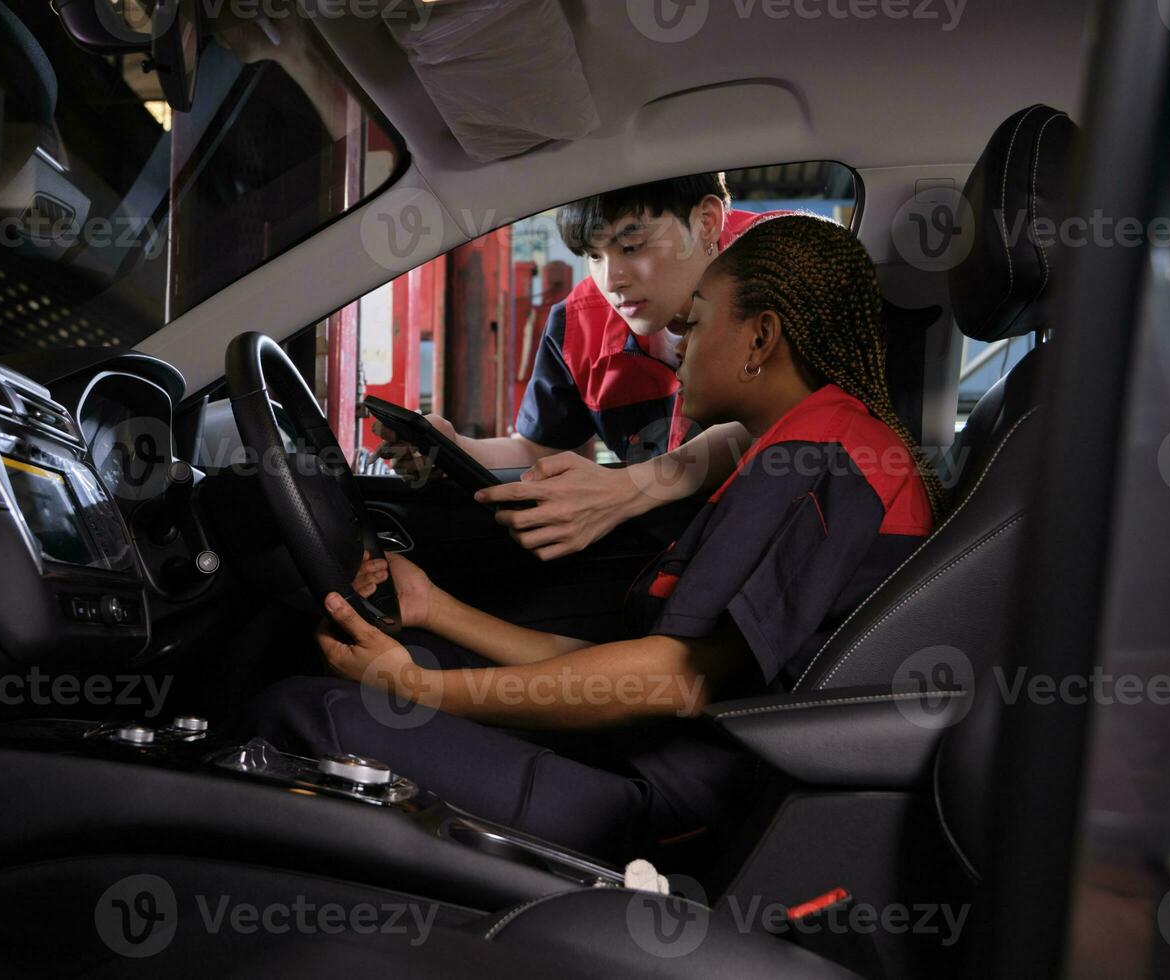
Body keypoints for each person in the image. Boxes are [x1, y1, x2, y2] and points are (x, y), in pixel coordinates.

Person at [246, 215, 946, 861]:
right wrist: (436, 611)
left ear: (760, 338)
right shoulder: (820, 441)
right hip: (659, 758)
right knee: (405, 657)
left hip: (678, 808)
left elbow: (671, 681)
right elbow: (649, 665)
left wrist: (422, 689)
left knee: (306, 712)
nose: (677, 341)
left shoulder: (819, 454)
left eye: (696, 324)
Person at [376, 175, 794, 560]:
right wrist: (451, 447)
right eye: (594, 255)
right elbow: (540, 447)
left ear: (705, 221)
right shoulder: (578, 325)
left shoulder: (789, 265)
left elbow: (786, 413)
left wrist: (629, 488)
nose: (611, 279)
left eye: (631, 247)